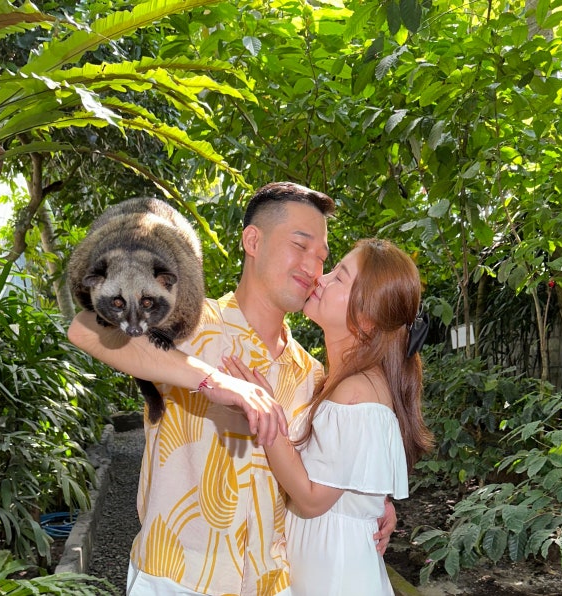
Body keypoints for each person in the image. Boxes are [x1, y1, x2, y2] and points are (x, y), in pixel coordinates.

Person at [67, 182, 397, 596]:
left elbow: (319, 475)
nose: (313, 266)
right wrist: (212, 380)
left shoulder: (312, 376)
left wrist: (370, 504)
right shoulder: (186, 325)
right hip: (176, 580)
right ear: (253, 241)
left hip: (272, 582)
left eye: (322, 257)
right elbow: (84, 330)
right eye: (300, 245)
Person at [223, 238, 435, 596]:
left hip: (336, 576)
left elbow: (311, 499)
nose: (320, 279)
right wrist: (374, 502)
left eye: (339, 277)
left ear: (366, 318)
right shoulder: (340, 381)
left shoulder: (358, 391)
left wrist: (264, 409)